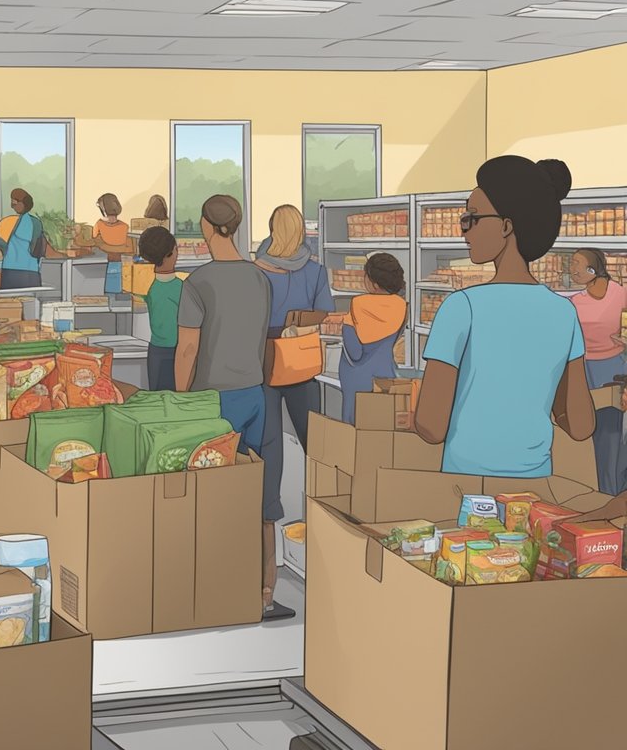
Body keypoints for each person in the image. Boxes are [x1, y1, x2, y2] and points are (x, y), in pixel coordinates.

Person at [415, 157, 595, 477]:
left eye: (471, 218)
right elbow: (581, 425)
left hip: (467, 487)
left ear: (506, 226)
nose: (463, 230)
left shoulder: (462, 307)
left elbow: (431, 425)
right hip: (535, 486)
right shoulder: (564, 312)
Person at [173, 195, 277, 617]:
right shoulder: (259, 278)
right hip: (253, 392)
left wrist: (179, 403)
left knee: (207, 495)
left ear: (206, 226)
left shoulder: (198, 282)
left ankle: (211, 588)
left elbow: (187, 350)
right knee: (254, 494)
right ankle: (262, 589)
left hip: (211, 400)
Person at [254, 205, 333, 545]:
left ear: (273, 230)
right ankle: (327, 515)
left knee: (270, 444)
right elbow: (324, 313)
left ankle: (269, 519)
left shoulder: (255, 271)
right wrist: (297, 321)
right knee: (317, 444)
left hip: (266, 363)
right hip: (302, 362)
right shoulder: (315, 272)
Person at [569, 247, 627, 494]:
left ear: (592, 270)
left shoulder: (621, 295)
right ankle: (598, 491)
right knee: (589, 433)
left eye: (575, 264)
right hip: (583, 369)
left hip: (614, 368)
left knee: (612, 434)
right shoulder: (574, 302)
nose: (570, 270)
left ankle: (612, 491)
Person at [340, 253, 408, 424]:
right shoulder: (402, 308)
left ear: (374, 284)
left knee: (354, 432)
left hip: (356, 380)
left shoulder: (356, 307)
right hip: (385, 375)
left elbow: (354, 353)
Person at [136, 226, 181, 391]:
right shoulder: (181, 287)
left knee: (158, 397)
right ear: (171, 253)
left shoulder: (147, 286)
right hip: (177, 350)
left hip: (155, 351)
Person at [0, 188, 44, 290]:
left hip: (10, 271)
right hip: (32, 272)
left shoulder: (6, 222)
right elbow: (39, 249)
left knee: (10, 304)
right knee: (31, 303)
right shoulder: (36, 223)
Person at [94, 193, 130, 297]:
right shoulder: (125, 226)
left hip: (106, 265)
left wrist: (104, 246)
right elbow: (126, 248)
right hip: (120, 266)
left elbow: (96, 244)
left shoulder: (99, 225)